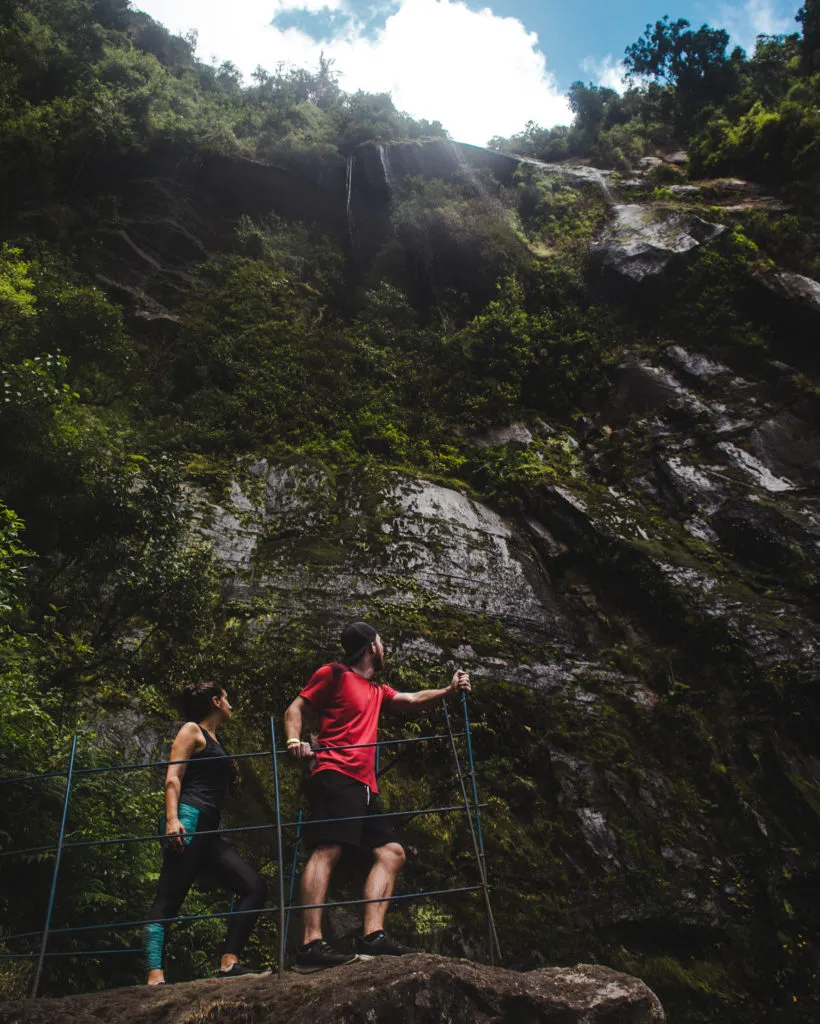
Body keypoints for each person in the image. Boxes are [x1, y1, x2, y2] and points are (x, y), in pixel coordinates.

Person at [284, 622, 471, 971]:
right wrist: (295, 741)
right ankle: (310, 943)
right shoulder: (334, 674)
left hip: (366, 786)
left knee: (392, 853)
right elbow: (295, 708)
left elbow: (411, 699)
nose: (384, 648)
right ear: (372, 646)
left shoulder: (376, 689)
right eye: (381, 642)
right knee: (327, 849)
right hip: (335, 774)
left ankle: (373, 935)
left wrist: (448, 691)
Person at [143, 683, 268, 984]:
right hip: (188, 820)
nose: (231, 705)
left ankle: (229, 963)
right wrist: (172, 819)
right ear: (215, 701)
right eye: (227, 699)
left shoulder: (215, 741)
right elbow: (174, 777)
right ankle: (154, 976)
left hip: (208, 830)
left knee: (255, 887)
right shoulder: (191, 730)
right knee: (167, 900)